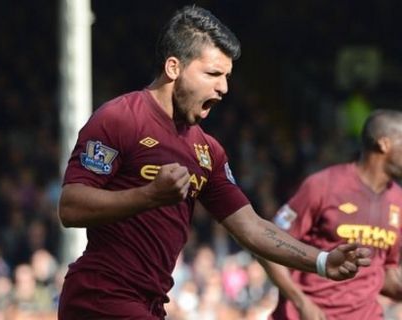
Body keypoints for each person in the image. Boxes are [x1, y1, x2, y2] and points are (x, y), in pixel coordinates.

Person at [57, 5, 371, 319]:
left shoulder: (206, 150)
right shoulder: (120, 119)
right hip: (99, 297)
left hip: (150, 303)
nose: (223, 88)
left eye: (227, 77)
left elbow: (251, 228)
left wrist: (321, 261)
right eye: (213, 74)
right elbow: (71, 207)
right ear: (173, 67)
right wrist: (148, 195)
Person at [258, 109, 402, 320]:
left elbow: (384, 273)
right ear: (384, 144)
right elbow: (265, 245)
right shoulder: (324, 186)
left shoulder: (398, 200)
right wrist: (301, 302)